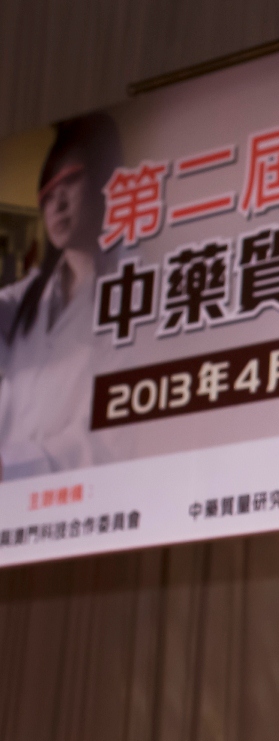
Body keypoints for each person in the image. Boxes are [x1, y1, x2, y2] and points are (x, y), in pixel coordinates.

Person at [0, 113, 121, 479]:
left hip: (75, 499)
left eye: (70, 181)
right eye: (48, 194)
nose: (58, 204)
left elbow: (104, 436)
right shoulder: (31, 295)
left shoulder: (131, 293)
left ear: (103, 180)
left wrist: (13, 465)